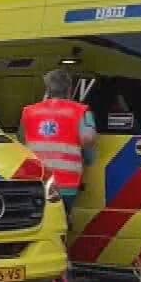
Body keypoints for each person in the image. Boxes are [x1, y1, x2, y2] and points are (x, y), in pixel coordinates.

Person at [20, 69, 95, 231]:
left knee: (38, 225)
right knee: (61, 223)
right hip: (67, 183)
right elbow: (88, 140)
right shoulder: (81, 111)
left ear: (47, 89)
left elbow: (21, 142)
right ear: (70, 89)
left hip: (36, 182)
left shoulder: (29, 112)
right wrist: (89, 160)